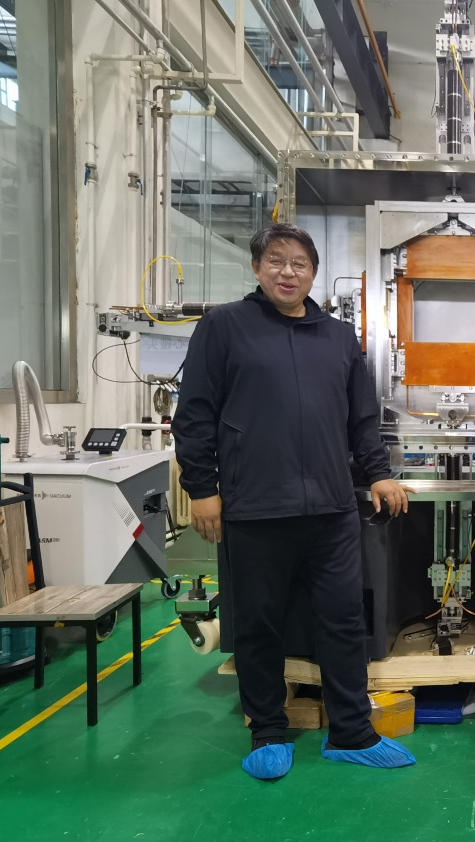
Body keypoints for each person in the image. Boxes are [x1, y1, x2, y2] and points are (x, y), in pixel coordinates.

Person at [172, 223, 418, 780]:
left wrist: (379, 474)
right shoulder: (224, 327)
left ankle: (352, 732)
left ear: (312, 273)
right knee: (258, 622)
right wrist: (203, 489)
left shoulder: (337, 337)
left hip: (331, 508)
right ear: (257, 268)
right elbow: (195, 414)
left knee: (343, 619)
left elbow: (361, 418)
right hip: (255, 507)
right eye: (276, 261)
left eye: (299, 263)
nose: (288, 272)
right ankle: (267, 731)